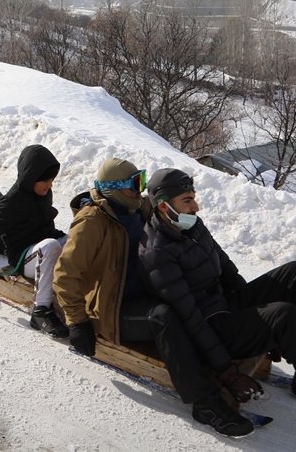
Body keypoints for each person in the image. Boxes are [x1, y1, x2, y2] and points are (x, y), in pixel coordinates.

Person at [139, 168, 296, 451]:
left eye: (194, 197)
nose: (195, 206)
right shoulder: (157, 253)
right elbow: (190, 320)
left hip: (227, 303)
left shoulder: (192, 226)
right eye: (187, 200)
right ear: (164, 206)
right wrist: (228, 371)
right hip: (213, 328)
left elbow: (228, 273)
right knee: (282, 314)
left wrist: (257, 313)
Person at [53, 159, 258, 437]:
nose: (140, 191)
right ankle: (206, 403)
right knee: (164, 316)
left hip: (147, 292)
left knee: (185, 303)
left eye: (142, 182)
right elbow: (65, 274)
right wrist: (77, 322)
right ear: (115, 189)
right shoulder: (92, 223)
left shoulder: (138, 207)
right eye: (134, 185)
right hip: (115, 307)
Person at [0, 144, 68, 337]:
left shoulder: (43, 193)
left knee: (76, 240)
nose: (49, 184)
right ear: (31, 176)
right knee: (51, 246)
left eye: (52, 179)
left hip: (41, 247)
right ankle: (41, 311)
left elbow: (46, 227)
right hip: (22, 257)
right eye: (44, 179)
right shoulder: (13, 201)